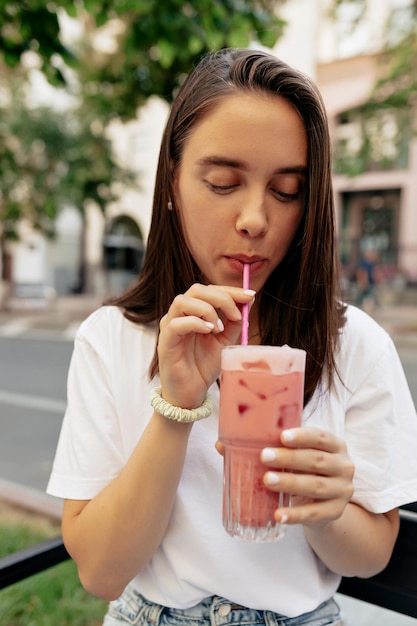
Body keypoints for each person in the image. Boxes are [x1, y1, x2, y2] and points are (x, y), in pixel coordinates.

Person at [47, 48, 417, 626]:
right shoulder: (111, 337)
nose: (254, 218)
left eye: (287, 189)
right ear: (172, 182)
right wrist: (177, 406)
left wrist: (327, 509)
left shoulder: (356, 345)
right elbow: (100, 571)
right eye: (222, 182)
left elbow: (371, 555)